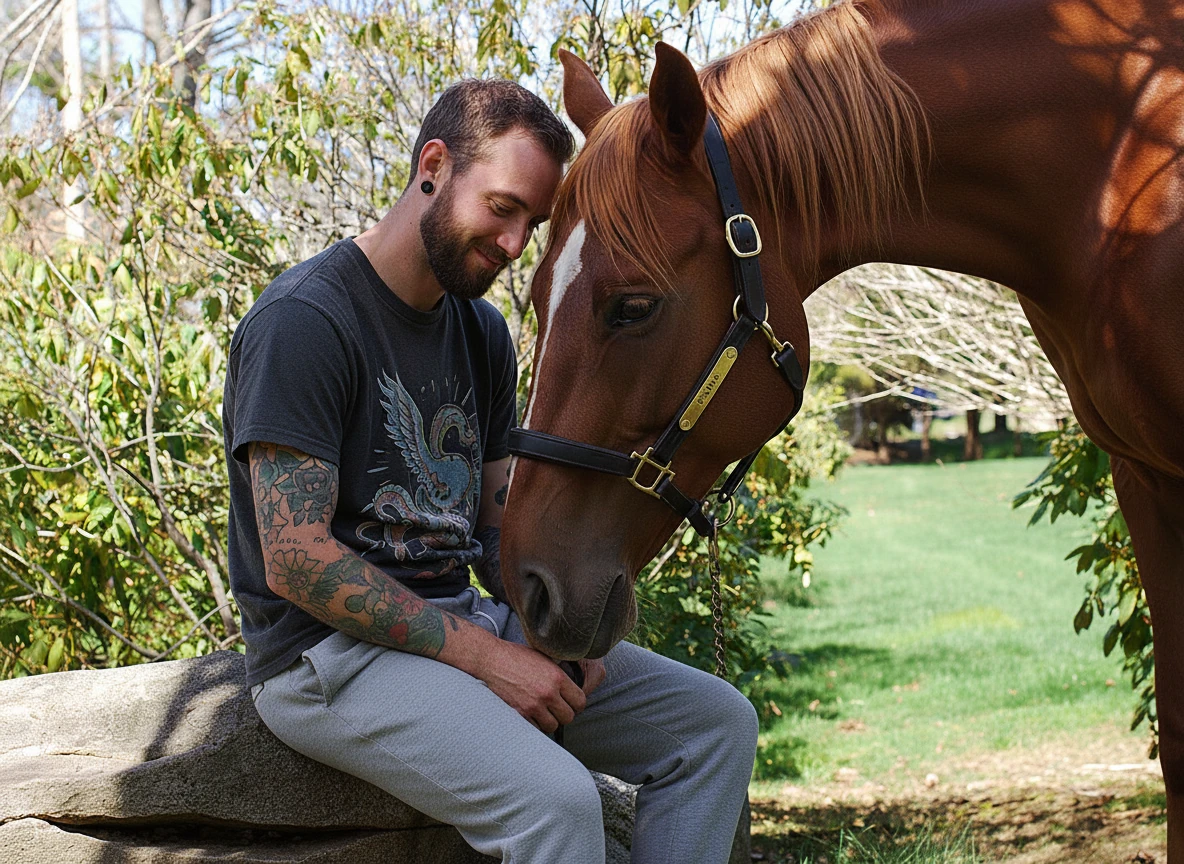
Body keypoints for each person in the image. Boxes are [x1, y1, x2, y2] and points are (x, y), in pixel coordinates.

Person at [222, 78, 757, 863]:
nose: (514, 246)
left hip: (460, 626)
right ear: (433, 166)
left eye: (532, 224)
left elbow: (496, 513)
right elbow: (297, 561)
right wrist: (492, 660)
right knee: (558, 806)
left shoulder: (480, 331)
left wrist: (556, 627)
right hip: (325, 658)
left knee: (714, 726)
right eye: (503, 209)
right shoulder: (305, 321)